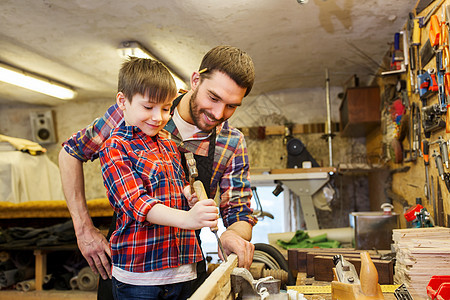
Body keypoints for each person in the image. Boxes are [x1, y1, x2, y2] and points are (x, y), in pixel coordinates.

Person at [59, 45, 257, 299]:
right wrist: (83, 228)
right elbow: (70, 152)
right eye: (214, 98)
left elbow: (238, 210)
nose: (218, 114)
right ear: (195, 80)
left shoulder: (231, 142)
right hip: (134, 265)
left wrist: (232, 235)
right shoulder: (142, 106)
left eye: (232, 106)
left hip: (185, 265)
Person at [98, 57, 219, 299]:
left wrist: (189, 198)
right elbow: (137, 203)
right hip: (140, 277)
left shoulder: (167, 142)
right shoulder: (115, 147)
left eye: (165, 108)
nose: (158, 117)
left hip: (183, 270)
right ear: (123, 101)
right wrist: (188, 218)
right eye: (148, 107)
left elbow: (175, 186)